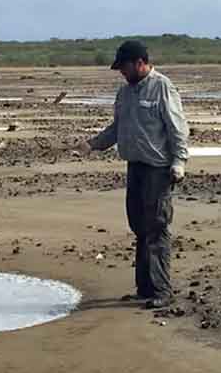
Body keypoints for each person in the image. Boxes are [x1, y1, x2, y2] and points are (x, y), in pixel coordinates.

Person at [78, 40, 189, 309]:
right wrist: (92, 144)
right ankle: (144, 289)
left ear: (140, 63)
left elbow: (177, 127)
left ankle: (162, 290)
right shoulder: (124, 93)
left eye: (125, 67)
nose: (122, 73)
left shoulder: (162, 86)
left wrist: (179, 162)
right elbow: (117, 129)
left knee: (157, 228)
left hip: (158, 169)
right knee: (139, 228)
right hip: (135, 167)